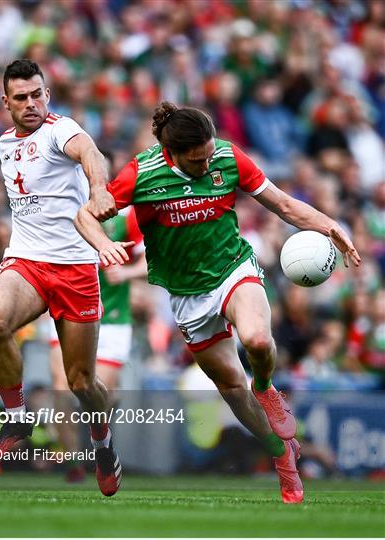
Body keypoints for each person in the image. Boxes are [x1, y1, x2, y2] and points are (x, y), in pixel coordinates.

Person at [74, 101, 361, 504]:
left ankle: (267, 387)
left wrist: (331, 227)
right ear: (171, 155)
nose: (208, 165)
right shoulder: (142, 173)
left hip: (232, 268)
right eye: (197, 160)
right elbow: (85, 217)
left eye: (210, 154)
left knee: (258, 341)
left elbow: (282, 204)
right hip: (187, 294)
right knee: (230, 387)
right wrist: (103, 244)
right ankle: (282, 456)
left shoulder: (227, 157)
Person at [0, 59, 124, 497]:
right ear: (5, 102)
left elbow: (89, 152)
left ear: (48, 94)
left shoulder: (61, 129)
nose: (31, 103)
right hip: (26, 260)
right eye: (21, 97)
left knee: (81, 382)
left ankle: (103, 445)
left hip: (74, 268)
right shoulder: (6, 143)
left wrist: (99, 187)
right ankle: (19, 415)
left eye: (37, 94)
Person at [49, 202, 146, 482]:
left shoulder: (126, 219)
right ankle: (72, 462)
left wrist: (127, 273)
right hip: (68, 311)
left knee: (95, 394)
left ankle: (101, 450)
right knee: (62, 387)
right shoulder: (64, 208)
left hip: (112, 320)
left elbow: (151, 257)